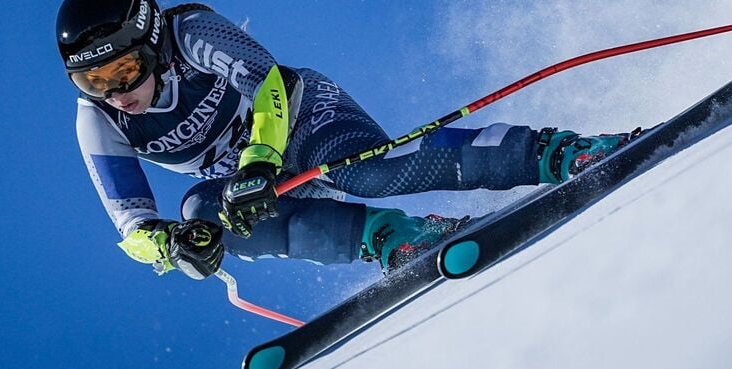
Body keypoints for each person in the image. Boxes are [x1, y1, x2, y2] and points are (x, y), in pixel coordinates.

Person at [56, 0, 634, 279]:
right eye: (93, 82)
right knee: (203, 213)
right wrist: (174, 244)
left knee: (365, 173)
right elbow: (132, 225)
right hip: (253, 181)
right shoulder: (99, 121)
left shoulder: (189, 33)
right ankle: (393, 236)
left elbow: (270, 83)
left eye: (124, 71)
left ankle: (556, 153)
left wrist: (259, 158)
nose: (115, 93)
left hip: (301, 120)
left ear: (153, 45)